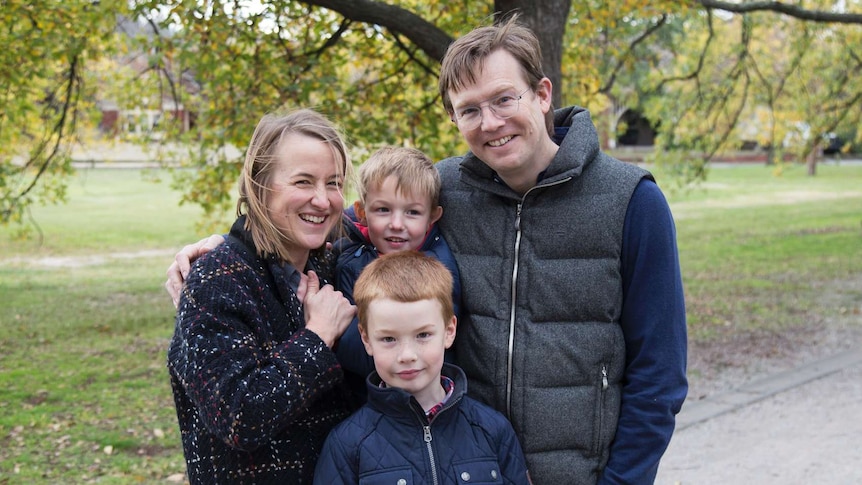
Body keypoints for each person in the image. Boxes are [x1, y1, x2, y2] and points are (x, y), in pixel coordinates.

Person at [165, 15, 688, 484]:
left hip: (580, 474)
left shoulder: (630, 201)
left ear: (543, 93)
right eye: (469, 110)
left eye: (504, 99)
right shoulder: (438, 192)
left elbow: (659, 375)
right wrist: (220, 246)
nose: (490, 123)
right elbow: (330, 220)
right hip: (462, 464)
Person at [166, 109, 358, 484]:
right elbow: (239, 417)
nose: (322, 200)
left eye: (333, 183)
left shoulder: (335, 263)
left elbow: (398, 210)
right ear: (260, 185)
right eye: (303, 182)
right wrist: (317, 337)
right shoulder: (215, 281)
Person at [312, 251, 531, 485]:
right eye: (388, 339)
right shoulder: (347, 444)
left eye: (423, 335)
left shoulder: (492, 430)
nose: (407, 355)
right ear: (366, 340)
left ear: (449, 332)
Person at [334, 146, 461, 400]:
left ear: (432, 218)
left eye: (412, 212)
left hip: (414, 399)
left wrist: (332, 336)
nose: (396, 224)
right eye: (383, 210)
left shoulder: (434, 271)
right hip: (358, 400)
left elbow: (368, 354)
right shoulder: (353, 249)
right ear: (362, 212)